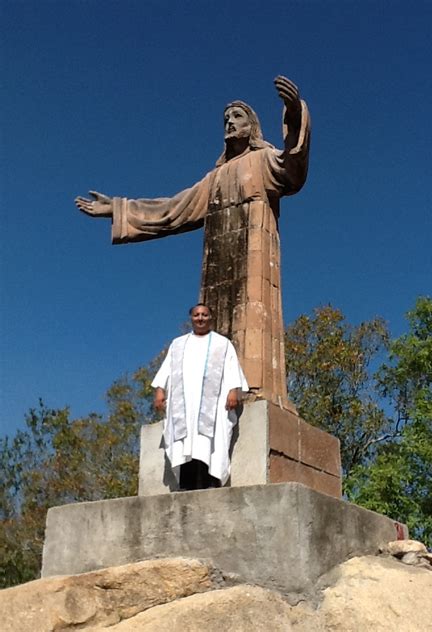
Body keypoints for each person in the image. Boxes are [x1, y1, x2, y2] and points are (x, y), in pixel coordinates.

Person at [76, 76, 310, 406]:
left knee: (254, 322)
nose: (229, 122)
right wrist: (116, 208)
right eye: (226, 118)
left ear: (252, 125)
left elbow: (294, 167)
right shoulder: (213, 180)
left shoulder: (264, 160)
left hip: (255, 258)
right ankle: (215, 397)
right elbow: (173, 210)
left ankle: (252, 390)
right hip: (217, 267)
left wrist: (295, 112)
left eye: (237, 116)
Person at [151, 304, 248, 490]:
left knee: (208, 442)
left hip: (214, 404)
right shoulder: (178, 344)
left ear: (211, 318)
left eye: (204, 315)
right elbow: (167, 369)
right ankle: (187, 484)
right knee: (186, 443)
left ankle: (211, 480)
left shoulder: (222, 343)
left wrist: (233, 391)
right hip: (184, 405)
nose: (200, 318)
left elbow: (231, 368)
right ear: (191, 318)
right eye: (197, 315)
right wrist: (160, 391)